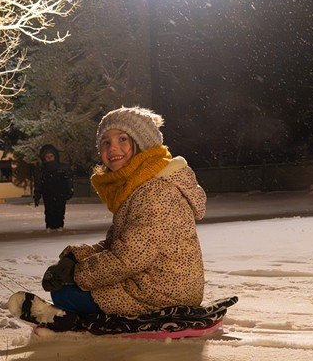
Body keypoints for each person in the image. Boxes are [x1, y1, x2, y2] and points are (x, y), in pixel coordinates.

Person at [31, 106, 207, 318]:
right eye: (106, 142)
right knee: (68, 292)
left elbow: (129, 257)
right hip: (150, 282)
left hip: (164, 293)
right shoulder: (137, 187)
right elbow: (117, 244)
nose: (112, 148)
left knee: (65, 294)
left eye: (122, 139)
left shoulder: (156, 192)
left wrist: (76, 274)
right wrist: (74, 258)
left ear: (142, 143)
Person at [32, 143, 74, 231]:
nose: (50, 158)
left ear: (55, 156)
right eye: (47, 156)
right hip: (48, 193)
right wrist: (37, 195)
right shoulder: (42, 169)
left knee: (60, 209)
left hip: (60, 192)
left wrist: (69, 190)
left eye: (51, 156)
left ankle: (59, 225)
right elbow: (39, 183)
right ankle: (49, 225)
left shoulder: (63, 168)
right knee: (49, 210)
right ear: (44, 158)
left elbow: (68, 180)